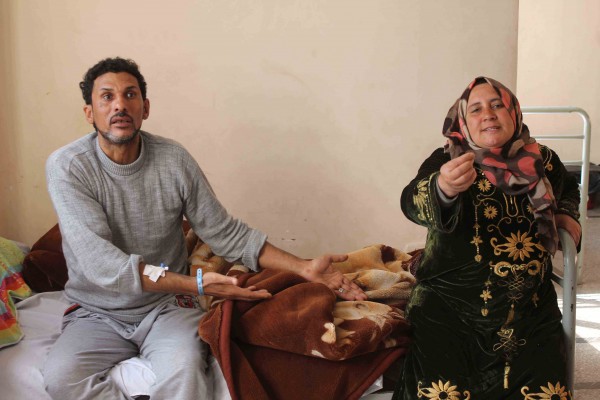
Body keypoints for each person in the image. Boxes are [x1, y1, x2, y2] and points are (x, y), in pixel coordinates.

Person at [42, 57, 366, 400]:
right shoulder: (68, 166)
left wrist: (304, 267)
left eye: (130, 95)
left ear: (145, 108)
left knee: (185, 371)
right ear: (89, 112)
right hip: (96, 313)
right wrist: (196, 284)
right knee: (61, 378)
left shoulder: (173, 159)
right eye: (107, 97)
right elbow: (104, 265)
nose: (120, 105)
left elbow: (226, 233)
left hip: (165, 306)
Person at [393, 77, 581, 399]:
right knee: (442, 392)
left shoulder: (544, 160)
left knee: (545, 391)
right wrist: (443, 188)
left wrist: (566, 215)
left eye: (497, 105)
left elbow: (568, 190)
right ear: (463, 122)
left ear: (514, 113)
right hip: (450, 309)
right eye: (476, 109)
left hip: (529, 309)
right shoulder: (448, 160)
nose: (488, 114)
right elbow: (410, 202)